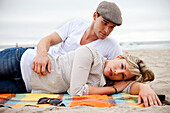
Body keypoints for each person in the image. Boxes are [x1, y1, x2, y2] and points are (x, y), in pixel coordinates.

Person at [0, 45, 162, 107]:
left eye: (122, 75)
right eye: (121, 67)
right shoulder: (89, 53)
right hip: (20, 61)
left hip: (25, 86)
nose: (117, 73)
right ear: (118, 58)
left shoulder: (103, 83)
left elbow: (128, 87)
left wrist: (143, 87)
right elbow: (76, 91)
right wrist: (112, 89)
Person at [32, 1, 123, 76]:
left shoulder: (112, 46)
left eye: (112, 27)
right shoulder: (76, 25)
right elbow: (47, 40)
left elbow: (123, 72)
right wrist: (42, 54)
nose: (107, 30)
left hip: (43, 79)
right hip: (28, 58)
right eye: (105, 23)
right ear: (95, 16)